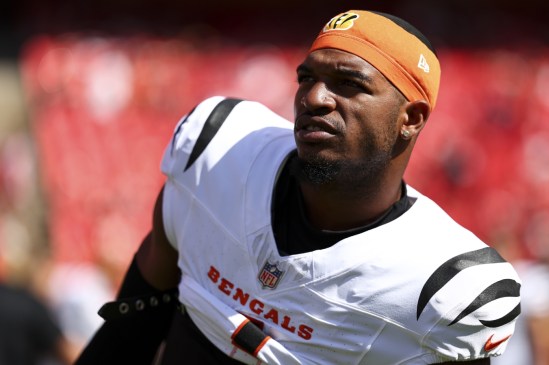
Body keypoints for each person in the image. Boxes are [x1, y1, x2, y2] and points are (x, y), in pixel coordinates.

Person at [76, 10, 521, 364]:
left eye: (348, 84)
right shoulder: (216, 150)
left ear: (411, 118)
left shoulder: (446, 286)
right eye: (307, 78)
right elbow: (131, 327)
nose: (314, 98)